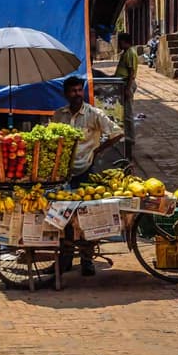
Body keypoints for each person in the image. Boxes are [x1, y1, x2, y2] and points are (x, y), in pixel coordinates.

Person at [52, 76, 124, 276]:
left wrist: (98, 150)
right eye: (72, 91)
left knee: (87, 219)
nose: (76, 94)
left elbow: (117, 132)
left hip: (85, 171)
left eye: (79, 90)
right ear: (65, 93)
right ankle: (65, 259)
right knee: (62, 219)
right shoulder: (59, 116)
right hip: (63, 175)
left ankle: (87, 260)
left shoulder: (94, 114)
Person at [114, 32, 138, 154]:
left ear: (124, 41)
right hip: (122, 84)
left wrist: (128, 89)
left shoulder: (130, 53)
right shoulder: (126, 53)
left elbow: (131, 73)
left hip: (126, 85)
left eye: (120, 42)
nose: (118, 44)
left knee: (128, 113)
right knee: (124, 112)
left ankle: (130, 138)